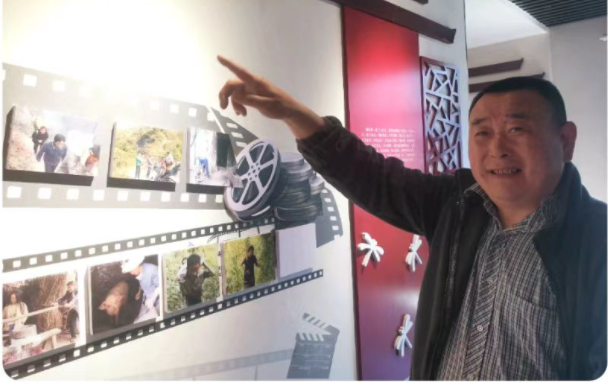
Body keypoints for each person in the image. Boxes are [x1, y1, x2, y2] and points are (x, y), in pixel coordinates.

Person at [216, 56, 606, 380]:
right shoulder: (455, 206)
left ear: (565, 141)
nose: (496, 149)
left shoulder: (597, 237)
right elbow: (372, 176)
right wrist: (291, 113)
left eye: (517, 129)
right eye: (482, 133)